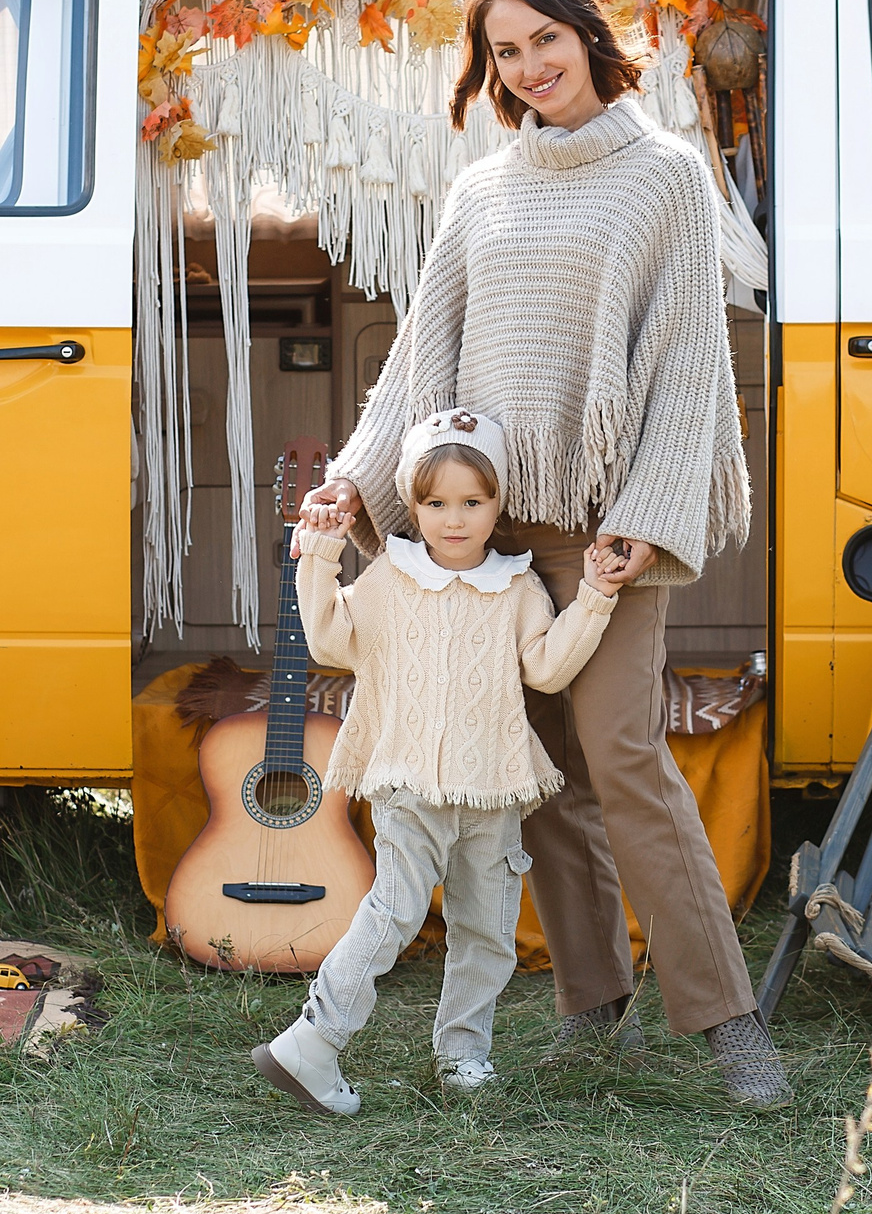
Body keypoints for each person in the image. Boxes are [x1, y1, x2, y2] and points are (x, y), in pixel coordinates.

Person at [302, 0, 791, 1108]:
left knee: (622, 759)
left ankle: (725, 1023)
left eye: (543, 41)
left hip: (604, 535)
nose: (528, 69)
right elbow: (423, 363)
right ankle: (589, 1005)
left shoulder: (667, 177)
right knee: (539, 782)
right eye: (506, 52)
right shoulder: (481, 192)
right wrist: (351, 484)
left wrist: (641, 522)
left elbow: (685, 366)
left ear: (586, 34)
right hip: (480, 535)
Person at [254, 407, 627, 1116]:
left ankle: (463, 1052)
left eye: (472, 502)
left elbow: (546, 668)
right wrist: (322, 558)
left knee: (488, 930)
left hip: (493, 789)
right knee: (393, 911)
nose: (453, 519)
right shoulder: (393, 577)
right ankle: (315, 1036)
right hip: (411, 785)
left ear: (497, 503)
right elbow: (332, 640)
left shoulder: (517, 586)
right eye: (434, 503)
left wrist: (596, 598)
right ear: (414, 503)